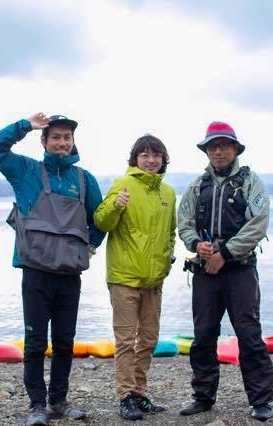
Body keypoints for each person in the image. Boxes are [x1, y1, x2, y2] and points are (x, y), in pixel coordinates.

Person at [0, 113, 105, 426]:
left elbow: (100, 219)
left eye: (67, 138)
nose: (62, 143)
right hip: (35, 271)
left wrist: (88, 247)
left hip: (69, 274)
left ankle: (59, 401)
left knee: (65, 341)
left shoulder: (84, 179)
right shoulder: (26, 171)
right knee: (36, 341)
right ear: (45, 141)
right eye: (56, 137)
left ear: (73, 142)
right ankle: (37, 405)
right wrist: (25, 125)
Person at [177, 121, 273, 421]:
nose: (218, 151)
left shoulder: (250, 181)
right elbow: (184, 222)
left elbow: (258, 222)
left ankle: (260, 400)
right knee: (203, 335)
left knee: (249, 334)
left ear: (235, 149)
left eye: (224, 146)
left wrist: (226, 253)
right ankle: (203, 396)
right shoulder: (197, 186)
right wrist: (197, 246)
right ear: (207, 151)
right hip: (205, 270)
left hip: (240, 270)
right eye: (213, 147)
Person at [94, 135, 176, 421]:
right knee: (126, 340)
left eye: (156, 155)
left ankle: (140, 394)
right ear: (135, 159)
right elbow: (101, 221)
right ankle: (125, 396)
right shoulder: (122, 184)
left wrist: (165, 263)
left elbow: (170, 234)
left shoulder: (168, 193)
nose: (151, 160)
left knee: (149, 339)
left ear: (163, 159)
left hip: (154, 280)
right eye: (145, 155)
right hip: (124, 277)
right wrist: (116, 204)